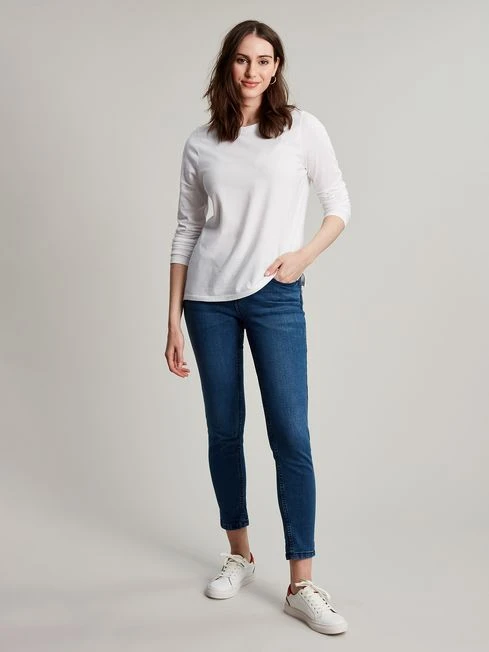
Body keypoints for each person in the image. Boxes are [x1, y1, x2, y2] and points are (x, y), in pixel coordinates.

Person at [165, 19, 351, 636]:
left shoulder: (301, 129)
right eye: (243, 60)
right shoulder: (201, 143)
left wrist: (302, 258)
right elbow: (187, 230)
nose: (254, 71)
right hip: (207, 302)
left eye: (265, 60)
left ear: (277, 68)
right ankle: (240, 554)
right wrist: (172, 317)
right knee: (224, 431)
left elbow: (339, 204)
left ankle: (301, 584)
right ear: (228, 65)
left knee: (291, 434)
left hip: (276, 297)